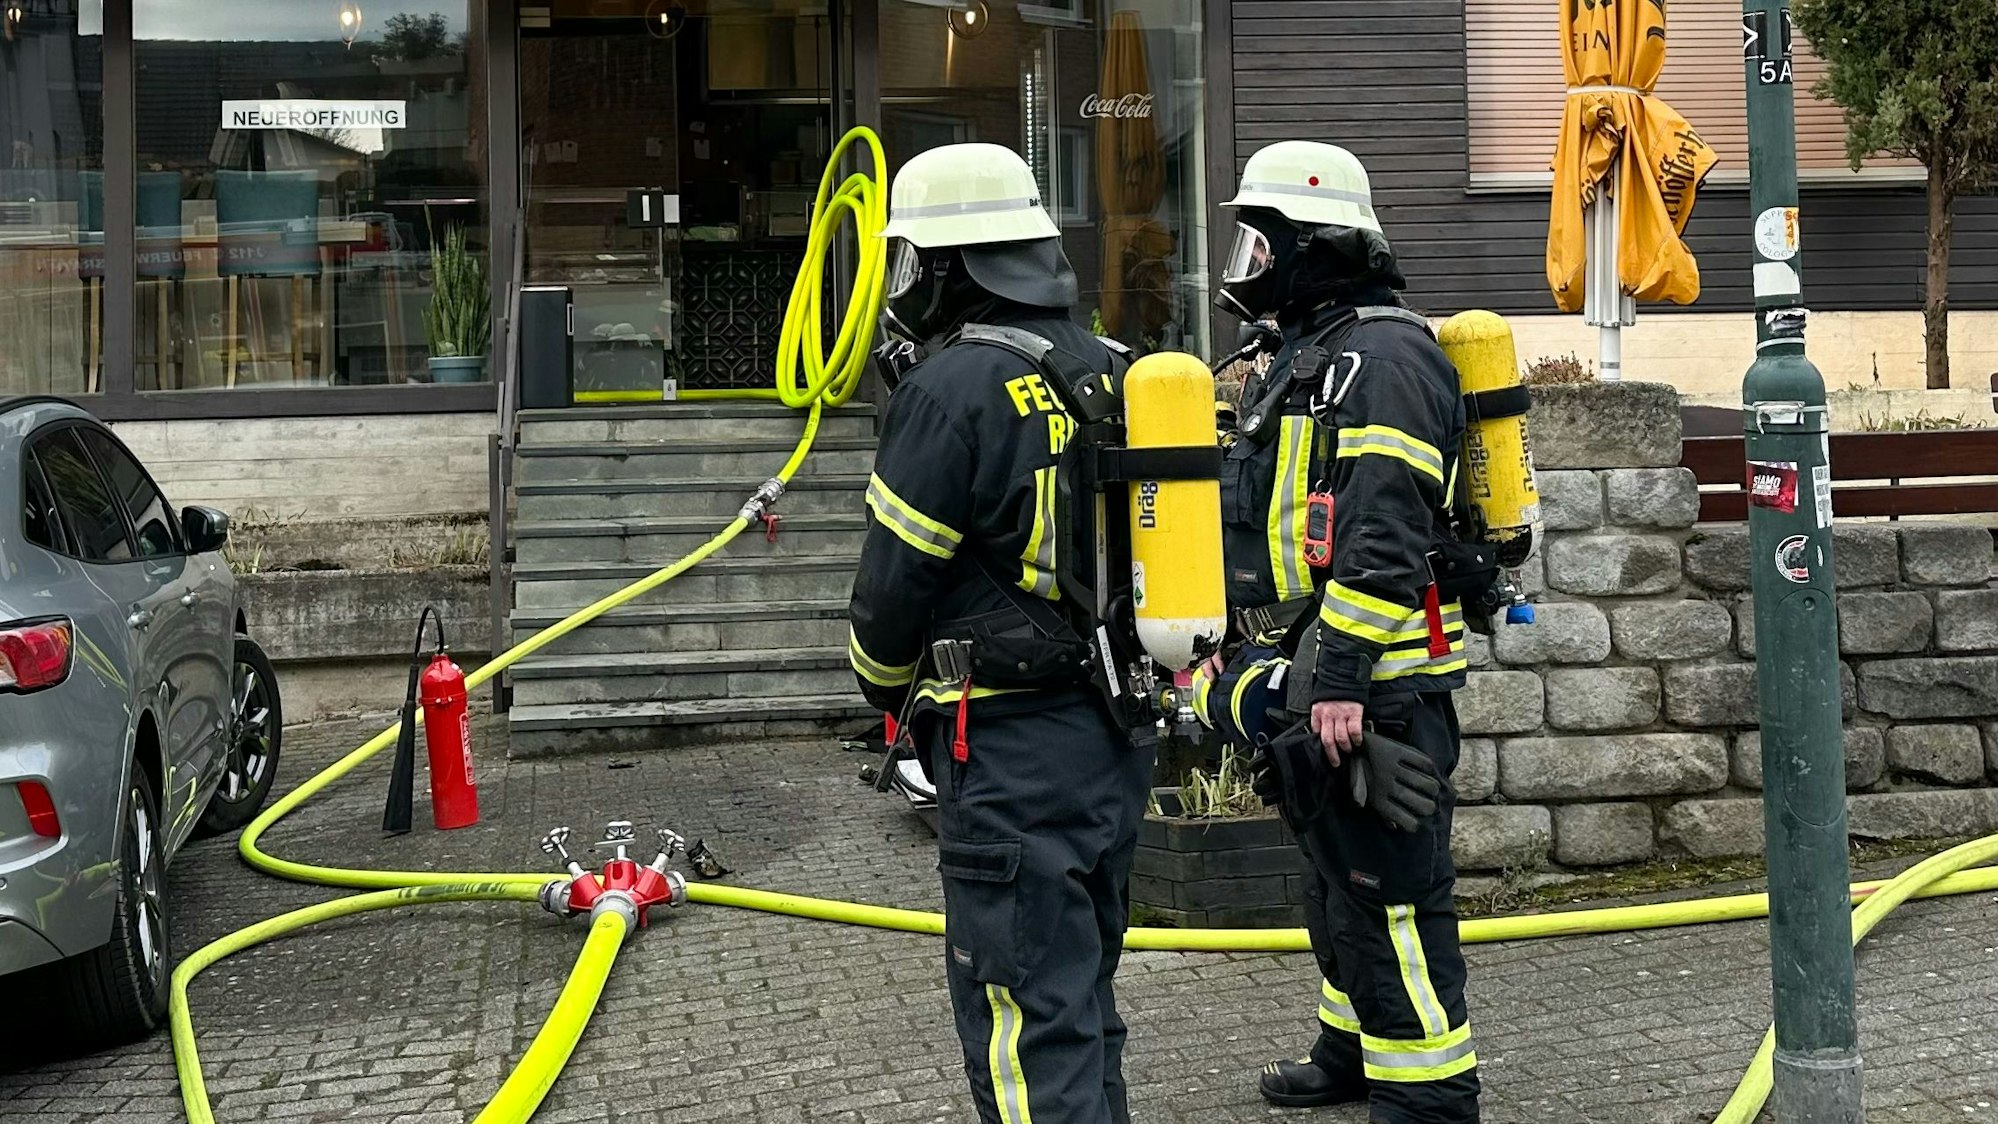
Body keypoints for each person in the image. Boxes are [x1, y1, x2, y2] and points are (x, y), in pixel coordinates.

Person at [846, 142, 1151, 1124]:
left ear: (950, 265)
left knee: (1025, 1023)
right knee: (1081, 1004)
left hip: (1010, 750)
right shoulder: (1113, 368)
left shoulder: (951, 388)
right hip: (1112, 733)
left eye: (912, 263)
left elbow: (891, 591)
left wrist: (882, 689)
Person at [1194, 140, 1480, 1124]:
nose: (1253, 266)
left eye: (1263, 243)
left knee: (1391, 903)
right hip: (1320, 675)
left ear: (1315, 244)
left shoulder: (1388, 358)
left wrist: (1342, 681)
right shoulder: (1316, 352)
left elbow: (1385, 531)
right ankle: (1349, 1051)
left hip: (1378, 692)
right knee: (1336, 888)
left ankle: (1431, 1098)